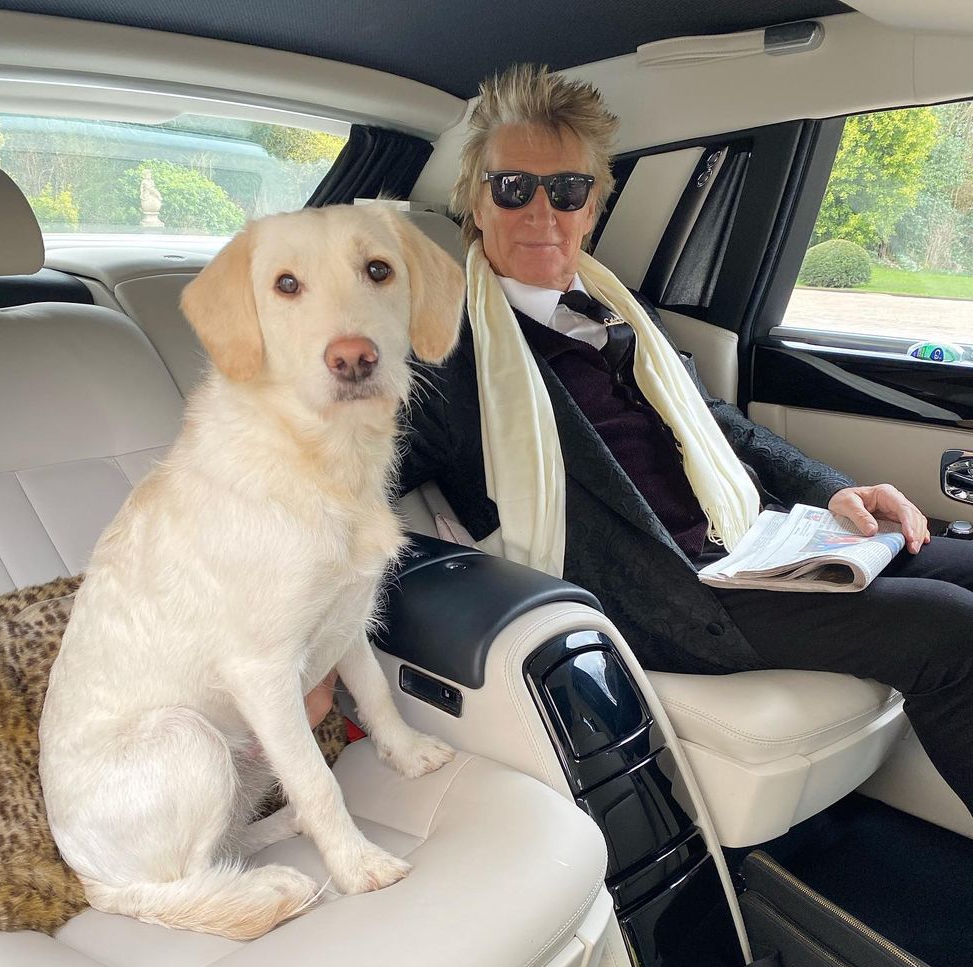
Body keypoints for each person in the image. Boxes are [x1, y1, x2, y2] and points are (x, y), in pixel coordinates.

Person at [399, 63, 973, 815]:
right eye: (514, 188)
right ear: (477, 203)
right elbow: (346, 495)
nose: (542, 210)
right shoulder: (442, 347)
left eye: (567, 190)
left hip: (753, 540)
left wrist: (835, 489)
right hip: (665, 595)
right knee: (948, 630)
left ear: (593, 207)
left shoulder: (618, 307)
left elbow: (720, 426)